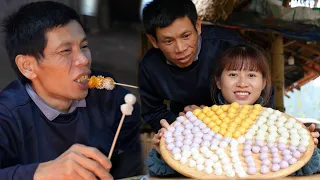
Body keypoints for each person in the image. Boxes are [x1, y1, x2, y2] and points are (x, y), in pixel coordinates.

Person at [0, 1, 142, 179]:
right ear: (27, 66)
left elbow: (137, 142)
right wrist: (39, 172)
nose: (83, 60)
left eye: (83, 46)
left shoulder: (107, 94)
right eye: (66, 50)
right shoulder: (7, 117)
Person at [146, 44, 320, 177]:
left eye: (252, 75)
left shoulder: (281, 128)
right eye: (233, 74)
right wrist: (163, 153)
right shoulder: (198, 125)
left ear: (264, 83)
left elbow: (301, 170)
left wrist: (307, 150)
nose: (242, 83)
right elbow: (169, 172)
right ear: (219, 82)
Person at [138, 0, 274, 133]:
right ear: (153, 40)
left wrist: (212, 118)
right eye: (168, 41)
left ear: (198, 26)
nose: (180, 48)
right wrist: (184, 125)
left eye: (186, 36)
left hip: (235, 126)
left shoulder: (229, 46)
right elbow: (153, 112)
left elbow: (261, 92)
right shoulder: (150, 67)